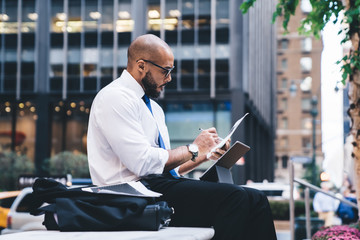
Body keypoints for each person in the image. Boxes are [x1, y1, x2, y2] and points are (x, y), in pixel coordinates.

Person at [87, 34, 277, 240]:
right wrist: (193, 149)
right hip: (130, 195)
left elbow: (167, 169)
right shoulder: (115, 97)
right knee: (235, 198)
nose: (169, 78)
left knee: (257, 199)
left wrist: (205, 154)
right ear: (141, 66)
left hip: (155, 188)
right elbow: (142, 163)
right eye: (165, 71)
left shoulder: (155, 109)